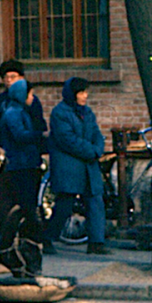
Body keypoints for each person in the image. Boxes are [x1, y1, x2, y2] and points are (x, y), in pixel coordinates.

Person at [42, 77, 111, 255]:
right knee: (65, 205)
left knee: (95, 201)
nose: (85, 96)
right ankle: (48, 237)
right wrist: (92, 151)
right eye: (81, 93)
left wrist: (98, 148)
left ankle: (96, 242)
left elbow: (96, 132)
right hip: (69, 166)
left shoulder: (87, 112)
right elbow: (67, 140)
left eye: (85, 92)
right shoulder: (60, 113)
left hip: (88, 165)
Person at [0, 79, 49, 252]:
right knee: (25, 203)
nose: (32, 98)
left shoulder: (20, 111)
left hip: (26, 163)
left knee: (27, 202)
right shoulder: (13, 113)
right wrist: (41, 135)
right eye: (30, 94)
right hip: (20, 164)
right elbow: (20, 136)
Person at [0, 59, 45, 152]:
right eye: (6, 77)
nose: (9, 80)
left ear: (21, 78)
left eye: (13, 77)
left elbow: (38, 124)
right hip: (5, 148)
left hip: (28, 148)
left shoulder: (31, 100)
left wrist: (42, 149)